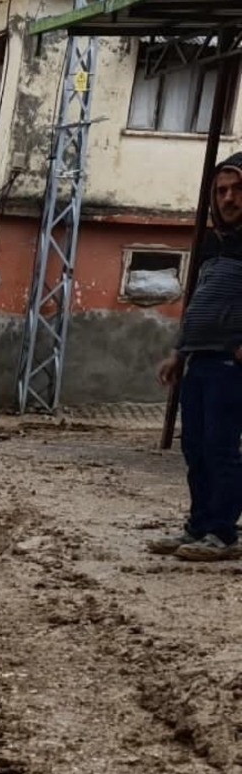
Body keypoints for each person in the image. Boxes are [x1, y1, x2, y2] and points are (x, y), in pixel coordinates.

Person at [154, 151, 242, 563]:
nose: (229, 198)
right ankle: (199, 525)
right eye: (222, 190)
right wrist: (178, 352)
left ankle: (223, 534)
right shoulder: (213, 244)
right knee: (196, 448)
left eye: (239, 188)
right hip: (199, 362)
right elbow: (197, 302)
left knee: (222, 450)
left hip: (232, 365)